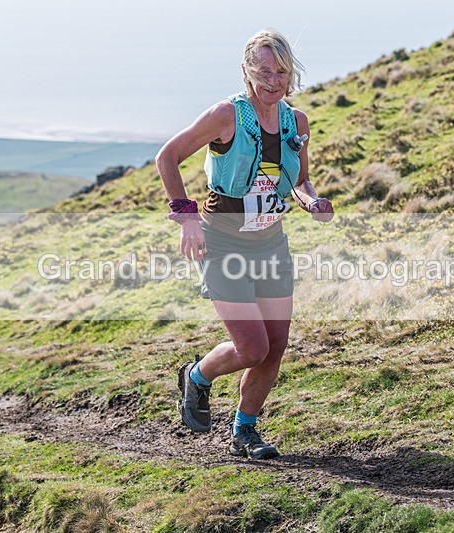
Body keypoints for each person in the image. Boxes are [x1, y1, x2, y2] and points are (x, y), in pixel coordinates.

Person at [155, 29, 334, 460]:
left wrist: (312, 202)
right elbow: (167, 157)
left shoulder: (297, 122)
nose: (274, 81)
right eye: (265, 71)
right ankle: (197, 376)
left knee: (275, 345)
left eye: (282, 72)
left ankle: (244, 431)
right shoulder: (226, 115)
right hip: (223, 242)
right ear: (247, 72)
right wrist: (186, 219)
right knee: (252, 348)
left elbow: (300, 180)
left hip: (271, 243)